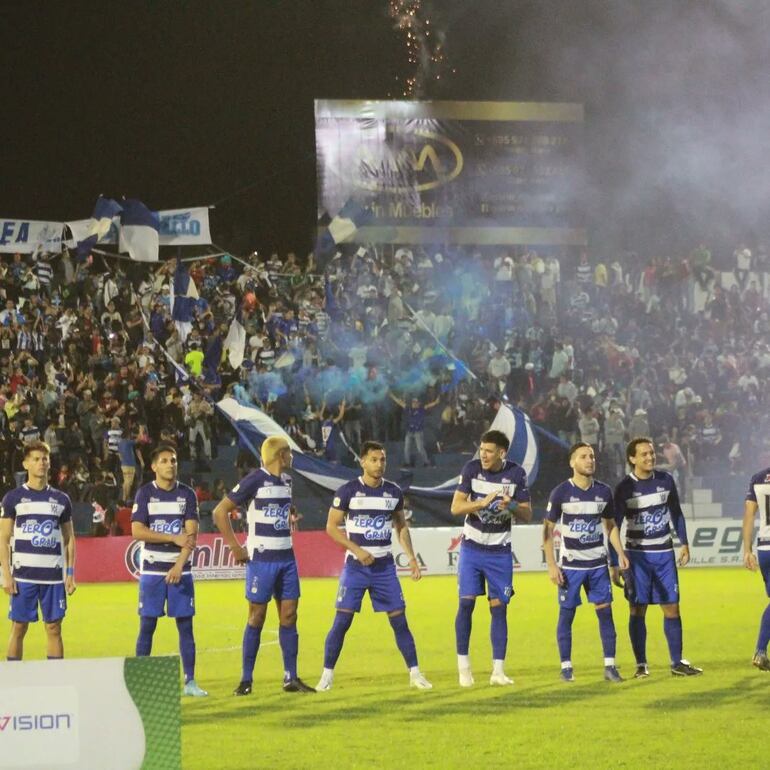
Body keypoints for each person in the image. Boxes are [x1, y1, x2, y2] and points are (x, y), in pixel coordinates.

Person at [316, 441, 431, 691]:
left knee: (399, 621)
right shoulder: (347, 492)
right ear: (363, 462)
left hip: (384, 568)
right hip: (356, 568)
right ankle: (327, 676)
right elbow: (331, 527)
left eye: (382, 460)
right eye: (374, 460)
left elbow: (401, 527)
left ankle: (415, 674)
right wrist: (356, 550)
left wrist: (411, 558)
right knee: (342, 622)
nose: (379, 465)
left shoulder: (393, 492)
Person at [213, 435, 315, 694]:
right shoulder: (254, 479)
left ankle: (290, 677)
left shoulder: (287, 481)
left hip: (287, 559)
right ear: (281, 456)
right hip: (261, 559)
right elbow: (219, 512)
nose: (291, 457)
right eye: (289, 453)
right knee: (257, 617)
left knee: (290, 615)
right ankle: (246, 680)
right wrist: (236, 547)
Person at [612, 437, 702, 677]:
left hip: (664, 555)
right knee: (637, 610)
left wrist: (684, 543)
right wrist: (615, 561)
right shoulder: (623, 488)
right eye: (644, 454)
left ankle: (677, 663)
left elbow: (676, 514)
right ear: (632, 459)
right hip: (637, 558)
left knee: (672, 608)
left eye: (651, 453)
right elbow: (614, 526)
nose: (650, 457)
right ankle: (641, 665)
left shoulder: (665, 480)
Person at [450, 429, 532, 687]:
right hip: (472, 549)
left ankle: (498, 671)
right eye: (481, 450)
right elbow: (456, 507)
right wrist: (481, 504)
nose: (483, 455)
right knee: (466, 604)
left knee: (500, 609)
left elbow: (528, 514)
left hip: (500, 553)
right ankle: (464, 668)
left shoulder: (517, 474)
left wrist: (510, 505)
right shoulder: (472, 469)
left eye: (488, 451)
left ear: (502, 453)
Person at [543, 443, 629, 682]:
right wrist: (551, 564)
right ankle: (566, 669)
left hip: (598, 566)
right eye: (583, 457)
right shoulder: (560, 492)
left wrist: (619, 553)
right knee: (566, 616)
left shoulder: (603, 492)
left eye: (592, 456)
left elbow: (610, 525)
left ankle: (610, 667)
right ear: (572, 462)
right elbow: (547, 530)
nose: (590, 460)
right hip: (570, 568)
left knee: (606, 614)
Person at [131, 444, 207, 696]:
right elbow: (137, 531)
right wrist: (171, 538)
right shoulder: (144, 494)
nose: (170, 464)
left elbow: (191, 535)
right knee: (147, 625)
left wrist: (178, 564)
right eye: (164, 460)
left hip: (181, 572)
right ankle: (141, 681)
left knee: (185, 626)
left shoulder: (187, 494)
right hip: (152, 572)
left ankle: (190, 682)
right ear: (154, 466)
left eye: (173, 460)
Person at [0, 441, 76, 660]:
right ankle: (12, 680)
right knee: (19, 627)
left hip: (53, 579)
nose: (41, 463)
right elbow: (3, 539)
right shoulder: (13, 498)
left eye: (44, 459)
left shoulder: (62, 500)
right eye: (35, 459)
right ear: (26, 464)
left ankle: (56, 681)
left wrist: (70, 574)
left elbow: (69, 538)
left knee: (54, 629)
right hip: (24, 577)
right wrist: (6, 575)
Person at [742, 466, 770, 671]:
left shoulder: (759, 477)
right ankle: (760, 650)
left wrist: (747, 550)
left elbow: (749, 516)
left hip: (765, 547)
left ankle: (761, 652)